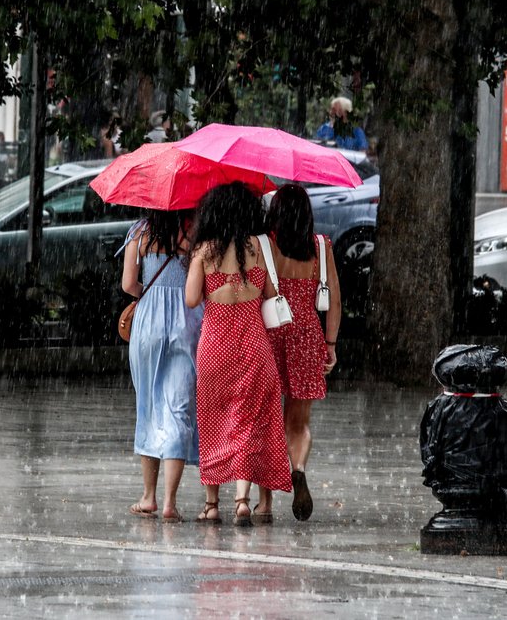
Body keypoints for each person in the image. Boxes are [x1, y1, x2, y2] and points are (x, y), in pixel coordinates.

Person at [185, 183, 292, 525]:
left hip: (215, 346)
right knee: (248, 420)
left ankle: (211, 503)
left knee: (213, 419)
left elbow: (190, 299)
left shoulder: (204, 250)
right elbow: (271, 292)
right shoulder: (261, 248)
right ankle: (243, 500)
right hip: (253, 346)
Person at [254, 184, 342, 523]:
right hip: (308, 336)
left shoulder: (266, 246)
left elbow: (255, 292)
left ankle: (264, 503)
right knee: (299, 422)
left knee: (266, 419)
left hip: (272, 333)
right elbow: (334, 299)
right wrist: (330, 344)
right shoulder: (320, 247)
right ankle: (299, 468)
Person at [122, 209, 203, 523]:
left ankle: (148, 496)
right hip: (188, 323)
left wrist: (152, 294)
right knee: (179, 409)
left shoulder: (139, 233)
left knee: (149, 406)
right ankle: (170, 501)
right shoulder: (193, 234)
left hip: (148, 324)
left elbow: (129, 283)